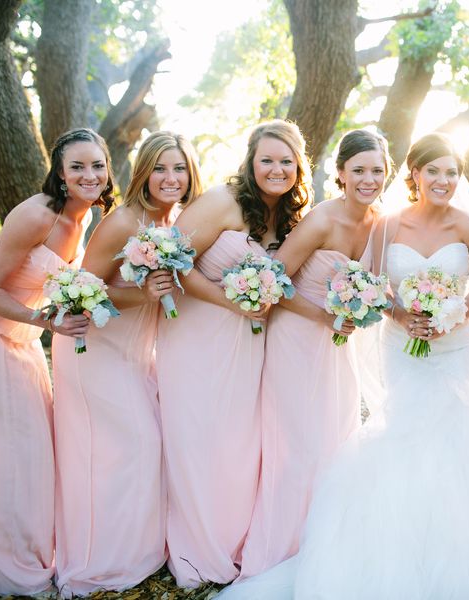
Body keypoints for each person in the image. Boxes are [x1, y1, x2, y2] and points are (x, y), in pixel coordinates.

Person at [217, 132, 469, 600]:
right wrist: (401, 314)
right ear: (415, 175)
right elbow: (369, 287)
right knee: (405, 437)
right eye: (434, 171)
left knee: (461, 439)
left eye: (452, 172)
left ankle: (462, 553)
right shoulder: (386, 226)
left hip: (456, 350)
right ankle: (396, 551)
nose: (444, 180)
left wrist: (452, 316)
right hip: (402, 348)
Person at [156, 120, 312, 587]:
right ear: (250, 161)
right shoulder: (223, 202)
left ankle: (233, 539)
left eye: (287, 161)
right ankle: (200, 551)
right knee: (199, 437)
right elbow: (170, 261)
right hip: (198, 337)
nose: (276, 168)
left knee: (236, 443)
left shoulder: (289, 217)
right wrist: (232, 301)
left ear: (299, 167)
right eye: (267, 159)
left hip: (249, 346)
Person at [51, 131, 203, 596]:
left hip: (137, 352)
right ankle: (101, 560)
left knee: (143, 448)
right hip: (96, 349)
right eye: (160, 168)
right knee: (129, 446)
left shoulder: (176, 223)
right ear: (143, 172)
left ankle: (137, 553)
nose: (170, 178)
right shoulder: (122, 222)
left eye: (179, 168)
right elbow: (82, 292)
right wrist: (143, 293)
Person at [239, 129, 386, 578]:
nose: (368, 179)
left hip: (338, 345)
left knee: (335, 438)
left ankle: (324, 539)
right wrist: (325, 315)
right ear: (340, 174)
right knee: (298, 444)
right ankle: (283, 547)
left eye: (377, 170)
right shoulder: (321, 219)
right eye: (358, 170)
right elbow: (273, 282)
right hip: (296, 340)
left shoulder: (381, 222)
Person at [0, 128, 114, 598]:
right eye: (77, 166)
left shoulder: (89, 218)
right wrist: (47, 322)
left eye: (97, 165)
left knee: (35, 456)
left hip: (23, 341)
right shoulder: (36, 215)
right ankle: (11, 568)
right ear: (59, 172)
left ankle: (28, 553)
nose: (88, 175)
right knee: (11, 458)